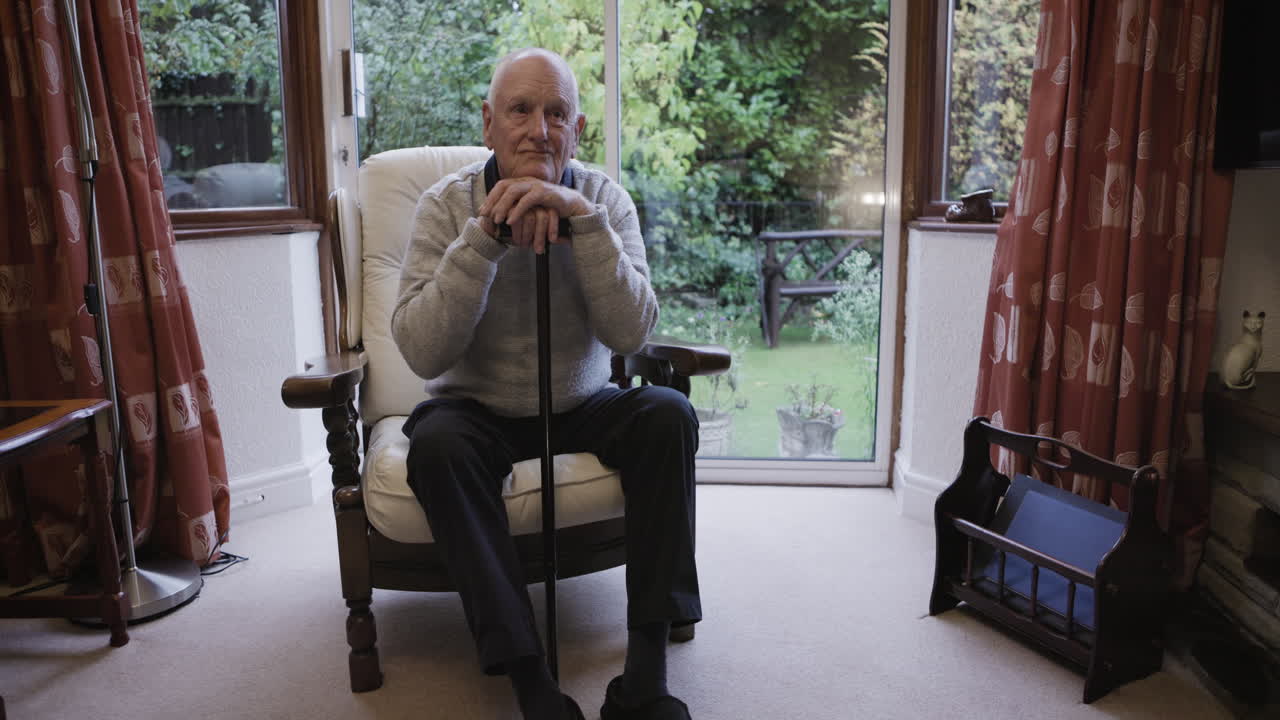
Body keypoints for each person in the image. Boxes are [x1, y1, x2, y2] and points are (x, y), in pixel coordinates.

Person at [391, 48, 700, 720]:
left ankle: (645, 679)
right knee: (436, 448)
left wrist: (584, 223)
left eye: (556, 113)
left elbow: (631, 333)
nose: (539, 130)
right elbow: (421, 350)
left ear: (576, 129)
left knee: (668, 414)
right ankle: (533, 687)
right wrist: (482, 238)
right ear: (488, 123)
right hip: (474, 409)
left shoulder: (606, 200)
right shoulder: (443, 206)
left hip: (583, 401)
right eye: (520, 111)